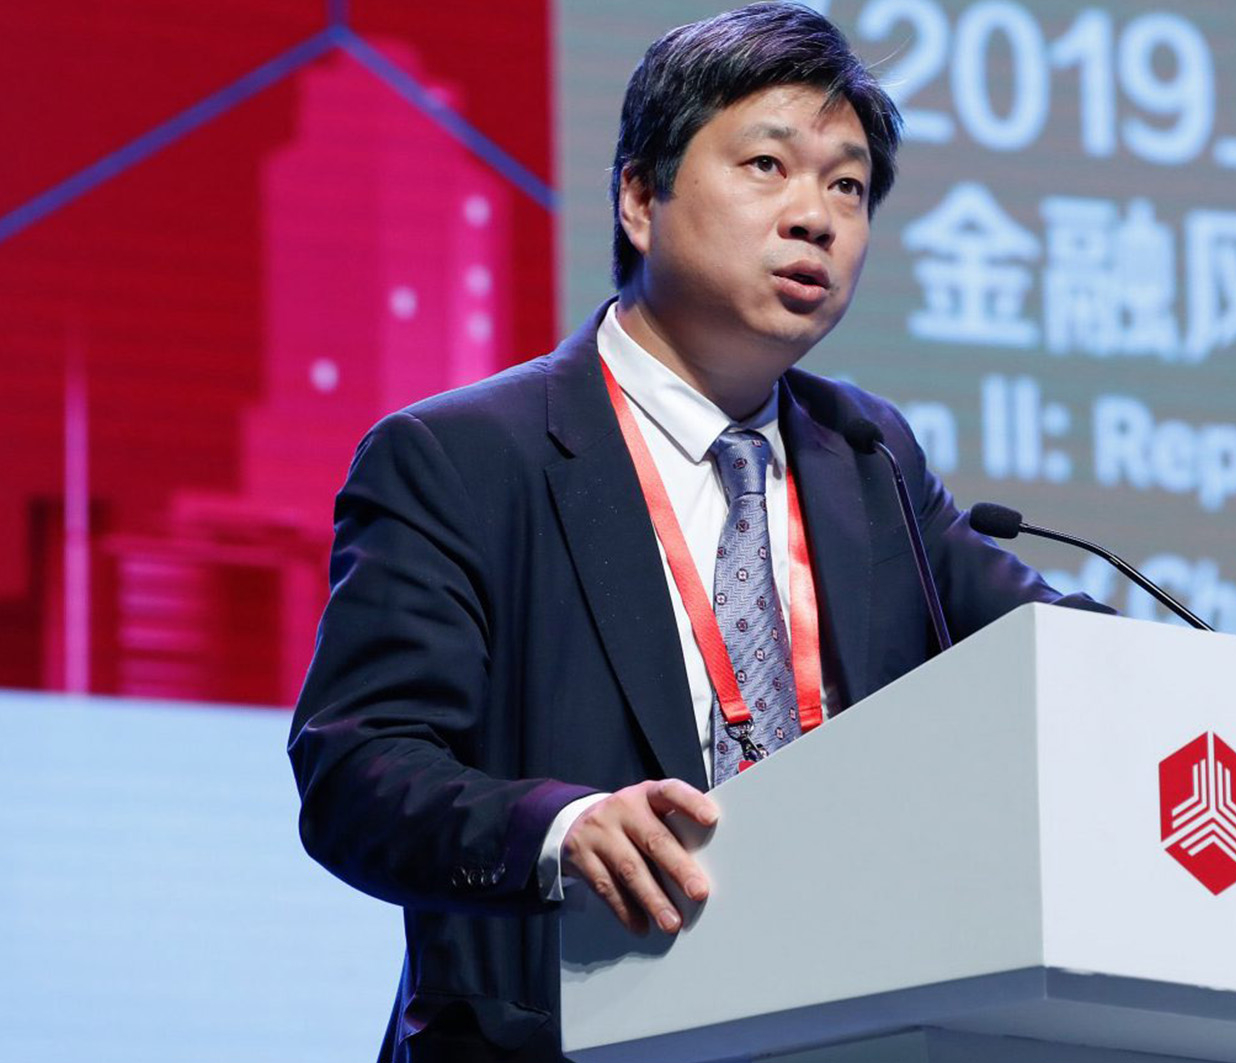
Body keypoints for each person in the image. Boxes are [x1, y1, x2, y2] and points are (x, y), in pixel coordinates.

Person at [287, 5, 1101, 1061]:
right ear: (640, 197)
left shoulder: (868, 458)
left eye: (848, 187)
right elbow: (357, 768)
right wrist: (560, 831)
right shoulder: (463, 458)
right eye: (768, 166)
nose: (816, 217)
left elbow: (1059, 656)